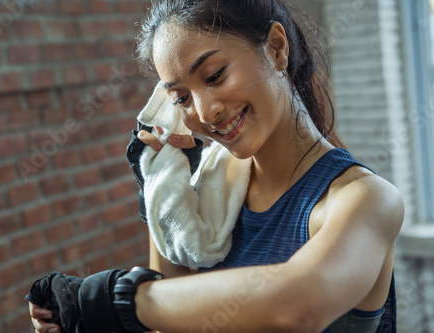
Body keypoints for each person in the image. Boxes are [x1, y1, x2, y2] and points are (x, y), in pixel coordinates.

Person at [28, 0, 404, 332]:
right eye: (182, 98)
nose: (205, 113)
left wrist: (118, 300)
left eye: (214, 76)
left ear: (276, 48)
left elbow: (298, 305)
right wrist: (161, 186)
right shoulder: (212, 191)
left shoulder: (365, 199)